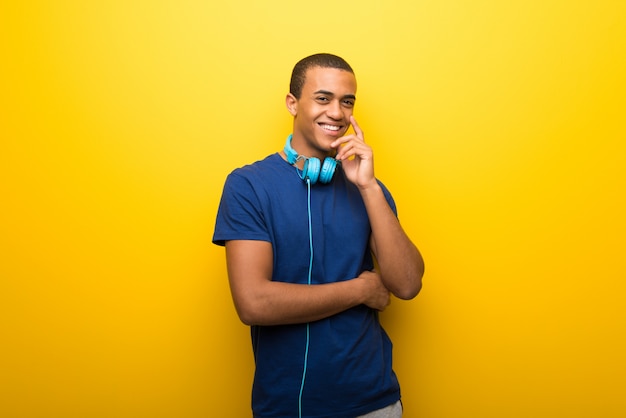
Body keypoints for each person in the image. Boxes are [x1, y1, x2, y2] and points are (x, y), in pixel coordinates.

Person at [213, 53, 424, 418]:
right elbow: (254, 303)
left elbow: (406, 284)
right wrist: (361, 290)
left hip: (375, 402)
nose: (337, 113)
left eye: (347, 101)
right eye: (323, 98)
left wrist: (369, 187)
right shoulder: (248, 186)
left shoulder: (368, 188)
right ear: (293, 104)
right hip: (286, 406)